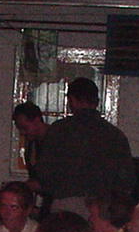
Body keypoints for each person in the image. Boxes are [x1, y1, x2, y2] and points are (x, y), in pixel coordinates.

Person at [34, 77, 133, 218]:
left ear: (72, 100)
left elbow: (44, 173)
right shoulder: (115, 135)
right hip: (102, 208)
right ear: (97, 101)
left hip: (65, 204)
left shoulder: (59, 131)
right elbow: (126, 180)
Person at [11, 101, 50, 210]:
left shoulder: (55, 141)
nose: (22, 133)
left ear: (37, 121)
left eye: (25, 127)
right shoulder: (32, 144)